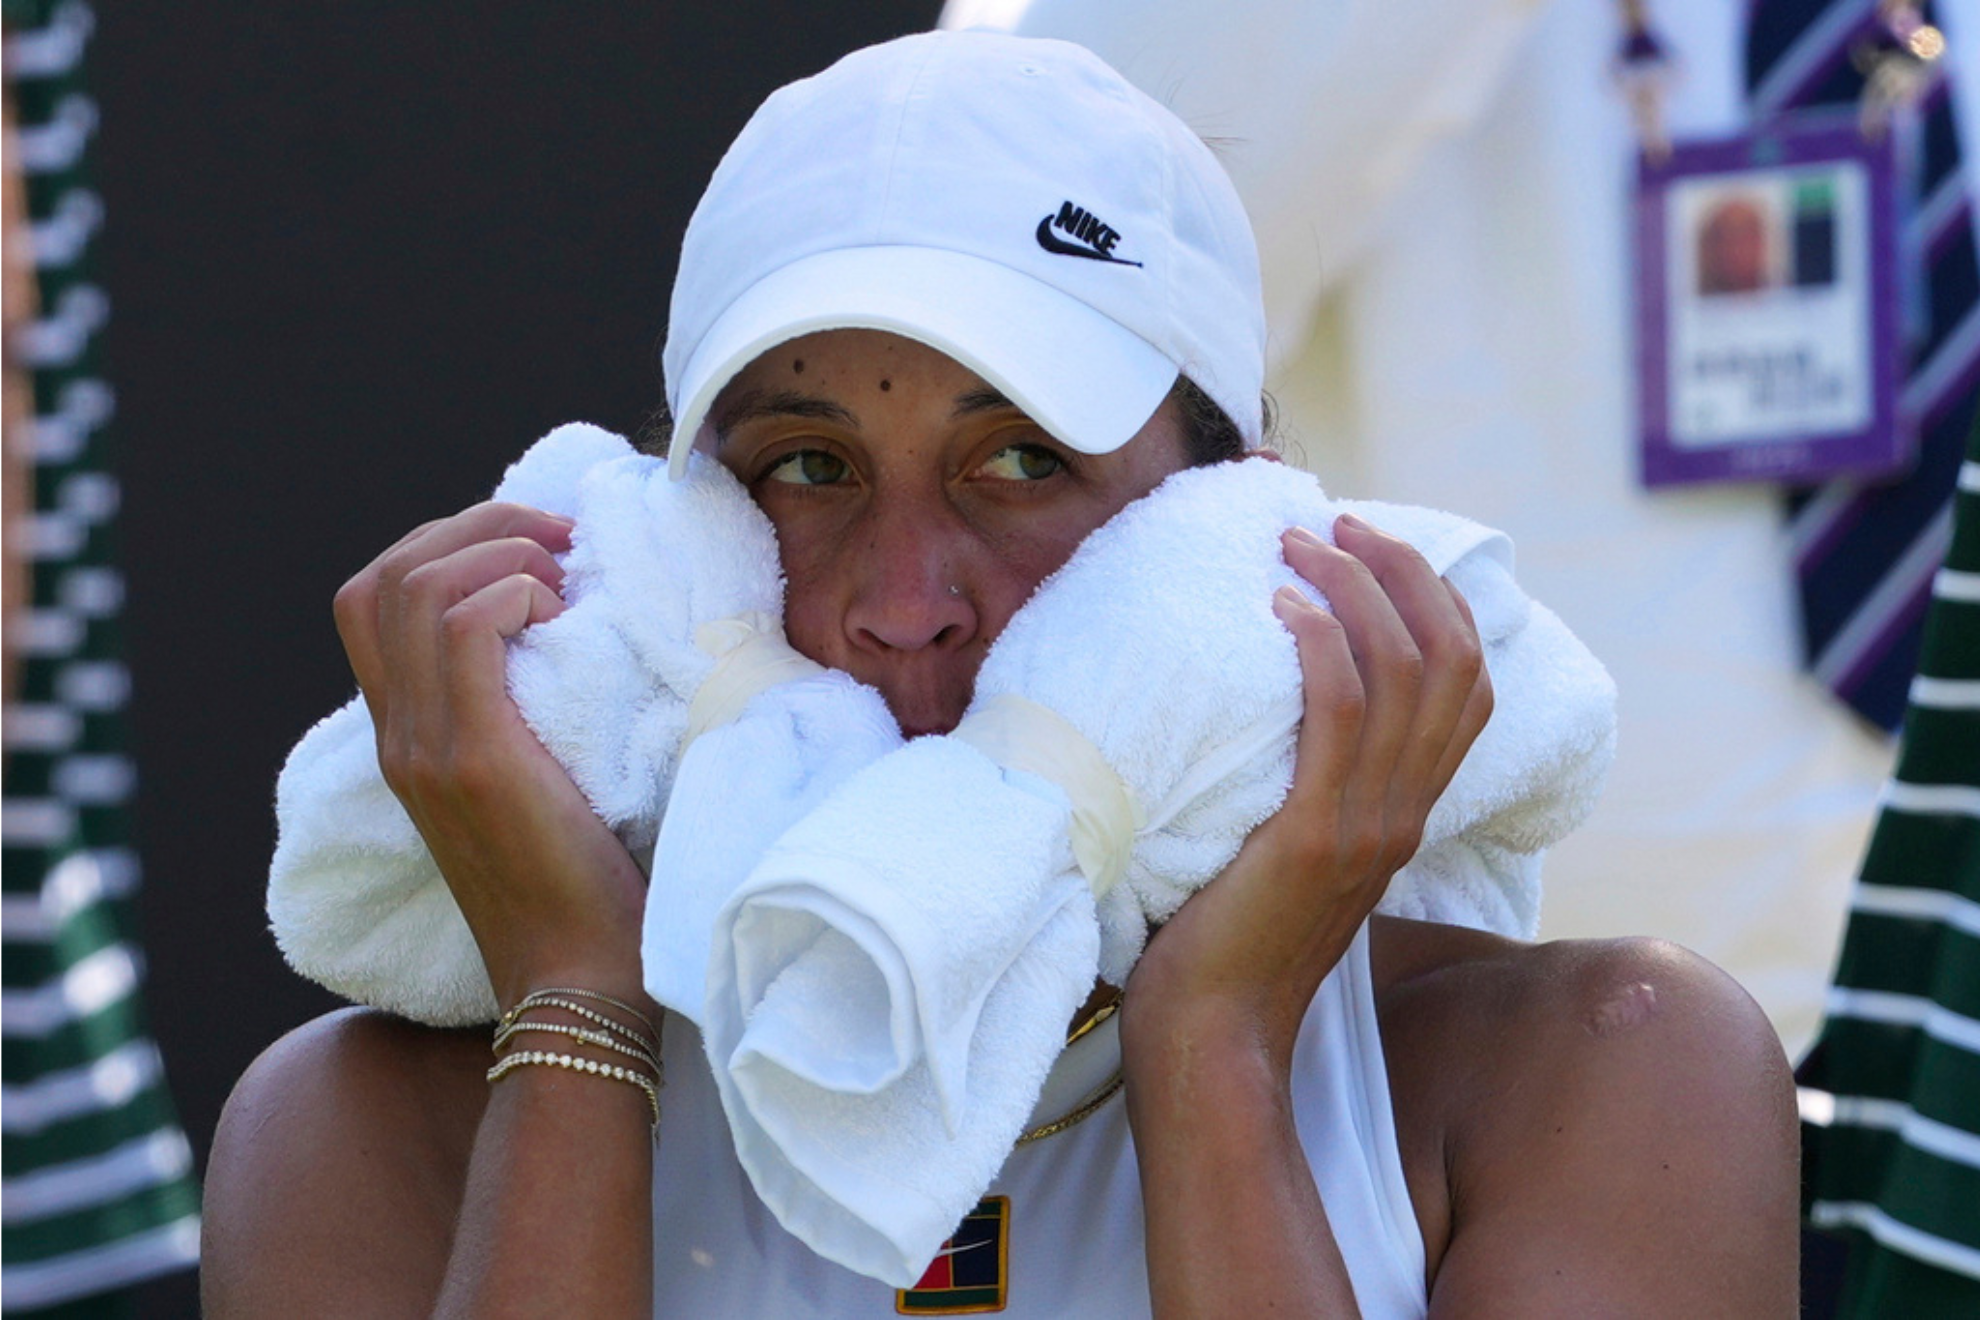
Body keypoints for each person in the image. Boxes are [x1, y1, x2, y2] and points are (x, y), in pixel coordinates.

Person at [201, 31, 1799, 1317]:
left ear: (1227, 517)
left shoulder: (1608, 1076)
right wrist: (575, 1002)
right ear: (674, 542)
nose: (907, 607)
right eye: (807, 468)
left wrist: (1217, 1049)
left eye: (1021, 458)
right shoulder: (355, 1129)